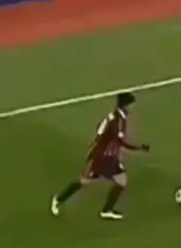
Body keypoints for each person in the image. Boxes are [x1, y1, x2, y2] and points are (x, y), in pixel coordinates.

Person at [51, 92, 149, 220]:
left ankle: (106, 210)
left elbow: (102, 132)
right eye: (131, 104)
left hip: (110, 157)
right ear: (125, 105)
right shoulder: (116, 121)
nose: (133, 107)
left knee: (121, 181)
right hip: (101, 158)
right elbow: (121, 142)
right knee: (83, 181)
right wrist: (139, 147)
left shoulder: (117, 117)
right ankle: (58, 200)